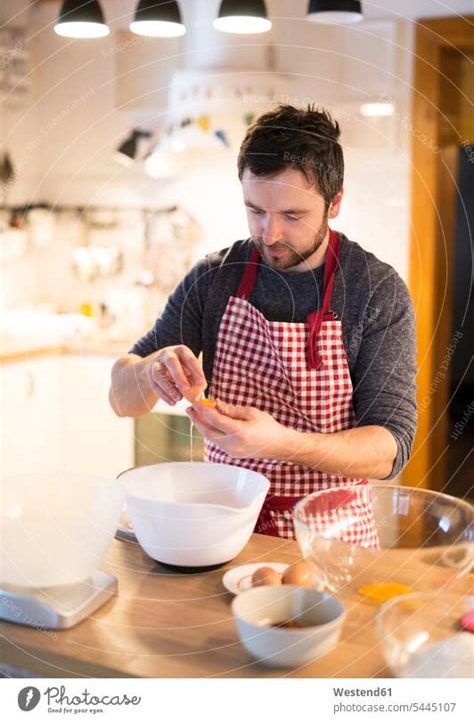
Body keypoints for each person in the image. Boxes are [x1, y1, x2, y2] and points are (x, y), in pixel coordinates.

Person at [109, 104, 417, 543]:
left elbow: (391, 447)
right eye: (255, 210)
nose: (269, 233)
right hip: (223, 531)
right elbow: (121, 399)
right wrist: (151, 369)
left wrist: (278, 443)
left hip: (330, 542)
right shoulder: (215, 278)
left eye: (292, 216)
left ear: (336, 202)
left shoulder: (375, 290)